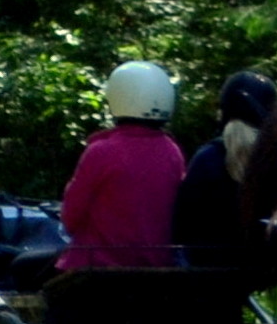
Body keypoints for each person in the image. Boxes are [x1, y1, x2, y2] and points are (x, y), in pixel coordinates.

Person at [51, 62, 189, 273]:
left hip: (95, 268)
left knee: (21, 267)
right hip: (155, 268)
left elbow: (70, 218)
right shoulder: (172, 151)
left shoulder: (101, 151)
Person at [171, 70, 277, 266]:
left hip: (206, 273)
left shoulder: (206, 158)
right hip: (261, 273)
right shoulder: (276, 161)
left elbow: (181, 225)